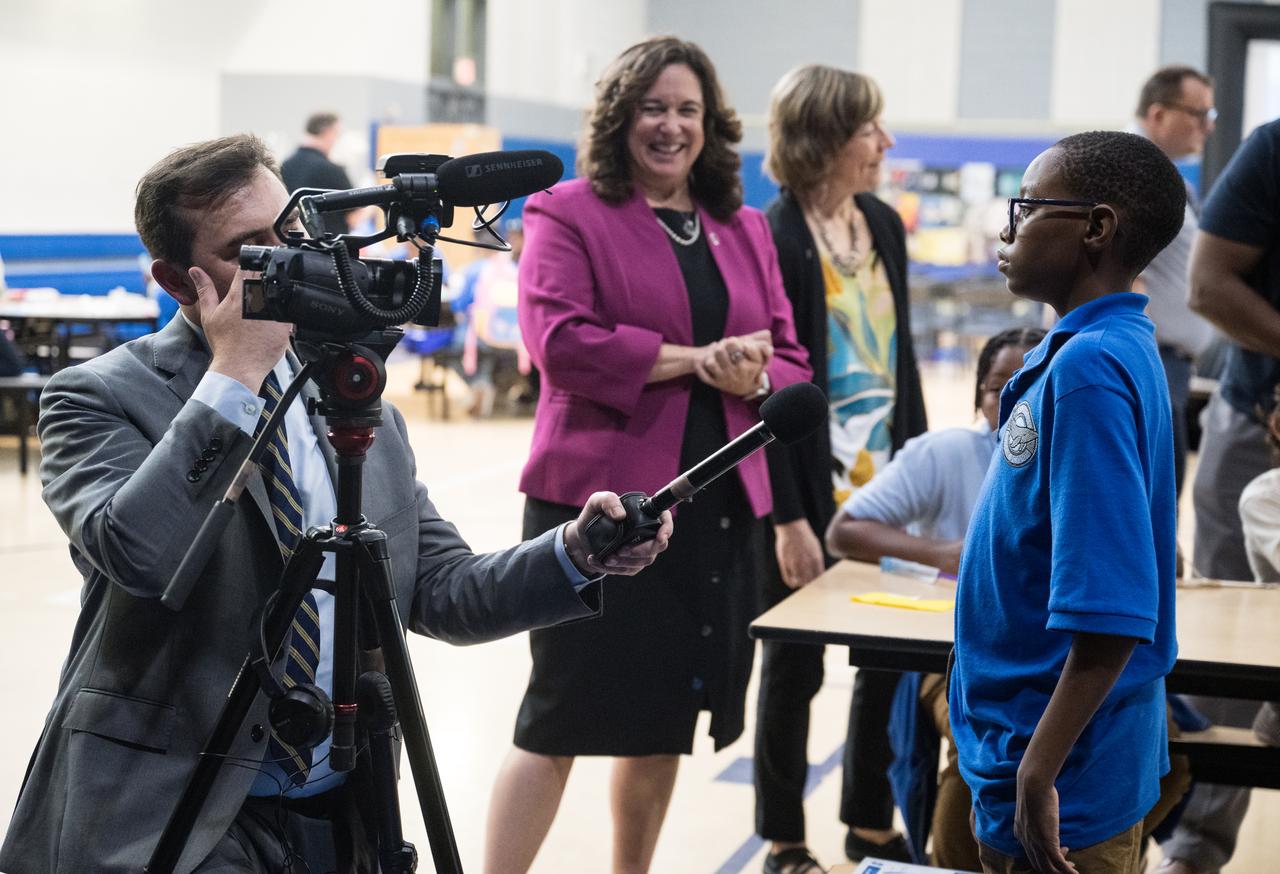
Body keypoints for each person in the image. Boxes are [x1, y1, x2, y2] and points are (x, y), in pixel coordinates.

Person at [0, 134, 672, 874]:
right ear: (177, 280)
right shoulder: (97, 397)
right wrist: (234, 375)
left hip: (341, 806)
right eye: (246, 248)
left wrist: (575, 553)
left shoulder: (348, 393)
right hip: (173, 815)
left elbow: (438, 590)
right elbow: (140, 556)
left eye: (288, 233)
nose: (285, 260)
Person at [483, 36, 811, 874]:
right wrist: (698, 359)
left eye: (687, 110)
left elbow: (792, 356)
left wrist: (756, 366)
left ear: (712, 124)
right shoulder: (566, 212)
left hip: (713, 509)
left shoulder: (740, 227)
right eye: (653, 108)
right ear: (621, 118)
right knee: (556, 716)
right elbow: (561, 344)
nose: (671, 127)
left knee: (664, 715)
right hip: (598, 506)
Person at [949, 131, 1186, 874]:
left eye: (1026, 207)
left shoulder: (1090, 370)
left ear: (1095, 227)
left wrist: (1038, 770)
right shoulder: (1095, 348)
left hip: (1062, 774)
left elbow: (1113, 608)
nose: (1007, 228)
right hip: (1035, 746)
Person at [753, 64, 928, 874]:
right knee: (795, 666)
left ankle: (867, 818)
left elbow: (904, 363)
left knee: (887, 657)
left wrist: (924, 474)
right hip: (805, 486)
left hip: (884, 481)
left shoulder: (884, 221)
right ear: (825, 136)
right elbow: (770, 393)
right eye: (870, 129)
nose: (885, 143)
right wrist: (789, 516)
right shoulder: (774, 233)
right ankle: (784, 836)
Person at [825, 328, 1042, 871]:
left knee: (1169, 748)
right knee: (988, 742)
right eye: (997, 387)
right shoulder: (944, 455)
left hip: (1055, 663)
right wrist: (941, 552)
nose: (1012, 398)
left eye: (1029, 383)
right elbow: (845, 531)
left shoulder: (1078, 463)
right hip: (951, 662)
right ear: (977, 396)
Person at [1161, 117, 1280, 874]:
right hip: (1254, 417)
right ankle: (1195, 847)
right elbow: (1208, 284)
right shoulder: (1273, 150)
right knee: (1235, 629)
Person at [1130, 65, 1217, 496]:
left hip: (1166, 367)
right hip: (1150, 364)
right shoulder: (1134, 171)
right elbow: (1122, 270)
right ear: (1159, 114)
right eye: (1197, 113)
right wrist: (1138, 360)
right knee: (1151, 503)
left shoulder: (1161, 176)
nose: (1207, 125)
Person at [281, 111, 356, 236]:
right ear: (328, 133)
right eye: (337, 134)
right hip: (327, 247)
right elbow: (353, 217)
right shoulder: (332, 170)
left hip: (292, 243)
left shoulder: (284, 166)